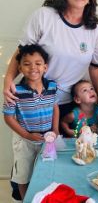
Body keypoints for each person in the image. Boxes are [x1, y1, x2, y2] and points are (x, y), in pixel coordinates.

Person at [3, 0, 98, 123]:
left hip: (69, 103)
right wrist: (7, 82)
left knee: (68, 146)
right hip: (34, 99)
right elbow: (22, 52)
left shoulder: (94, 29)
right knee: (33, 144)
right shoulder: (44, 16)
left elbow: (96, 67)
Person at [3, 45, 59, 200]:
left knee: (46, 171)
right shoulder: (14, 91)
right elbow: (8, 118)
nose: (33, 67)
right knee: (23, 175)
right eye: (27, 64)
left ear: (45, 67)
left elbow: (55, 107)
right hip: (24, 141)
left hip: (47, 139)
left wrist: (56, 130)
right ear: (20, 68)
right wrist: (27, 134)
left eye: (38, 63)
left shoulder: (53, 86)